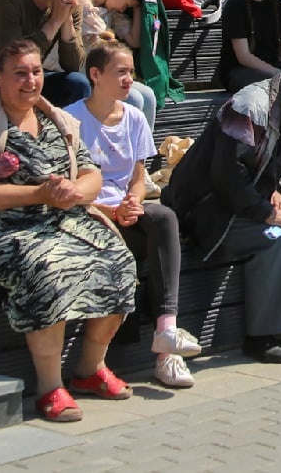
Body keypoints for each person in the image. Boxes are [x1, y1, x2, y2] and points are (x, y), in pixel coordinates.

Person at [0, 39, 137, 423]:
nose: (30, 81)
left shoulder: (58, 120)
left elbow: (91, 174)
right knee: (49, 270)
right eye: (19, 73)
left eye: (35, 72)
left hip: (65, 221)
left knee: (118, 258)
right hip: (5, 231)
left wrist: (72, 192)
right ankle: (50, 387)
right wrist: (39, 194)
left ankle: (89, 369)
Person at [163, 56, 281, 363]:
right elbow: (226, 177)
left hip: (241, 202)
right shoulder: (248, 108)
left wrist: (273, 193)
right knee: (272, 238)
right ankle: (259, 337)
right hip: (206, 209)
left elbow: (265, 165)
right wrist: (266, 212)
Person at [65, 42, 199, 389]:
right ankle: (163, 356)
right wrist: (111, 209)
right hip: (88, 215)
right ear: (95, 75)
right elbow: (69, 191)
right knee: (144, 249)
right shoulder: (70, 119)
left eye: (131, 72)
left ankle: (166, 333)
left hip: (124, 210)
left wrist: (133, 203)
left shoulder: (135, 118)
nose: (129, 80)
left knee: (164, 219)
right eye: (120, 72)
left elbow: (138, 179)